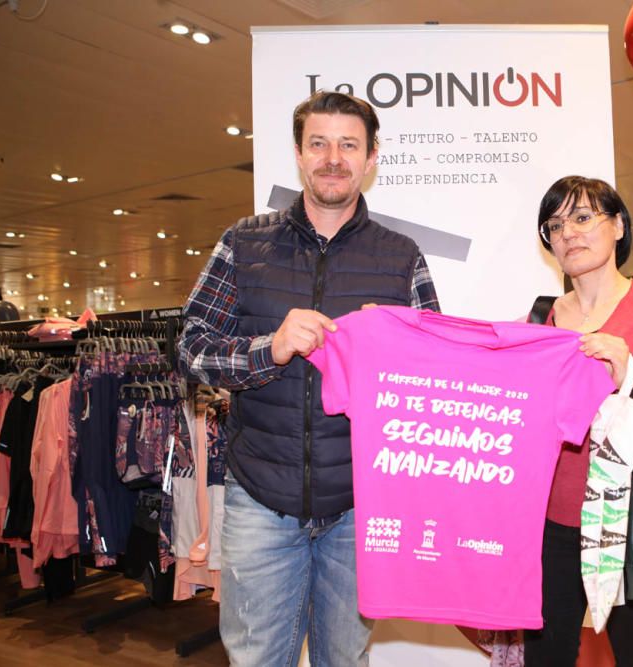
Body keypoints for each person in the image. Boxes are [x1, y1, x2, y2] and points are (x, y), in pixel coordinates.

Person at [178, 91, 440, 665]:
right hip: (260, 503)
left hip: (359, 506)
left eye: (349, 145)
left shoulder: (402, 257)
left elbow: (432, 384)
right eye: (318, 143)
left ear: (371, 158)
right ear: (299, 154)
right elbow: (191, 349)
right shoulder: (242, 243)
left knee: (344, 660)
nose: (333, 158)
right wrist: (268, 348)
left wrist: (394, 347)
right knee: (257, 659)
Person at [523, 176, 633, 666]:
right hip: (552, 521)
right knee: (545, 657)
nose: (569, 234)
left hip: (632, 524)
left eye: (583, 218)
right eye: (555, 225)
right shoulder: (542, 318)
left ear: (619, 225)